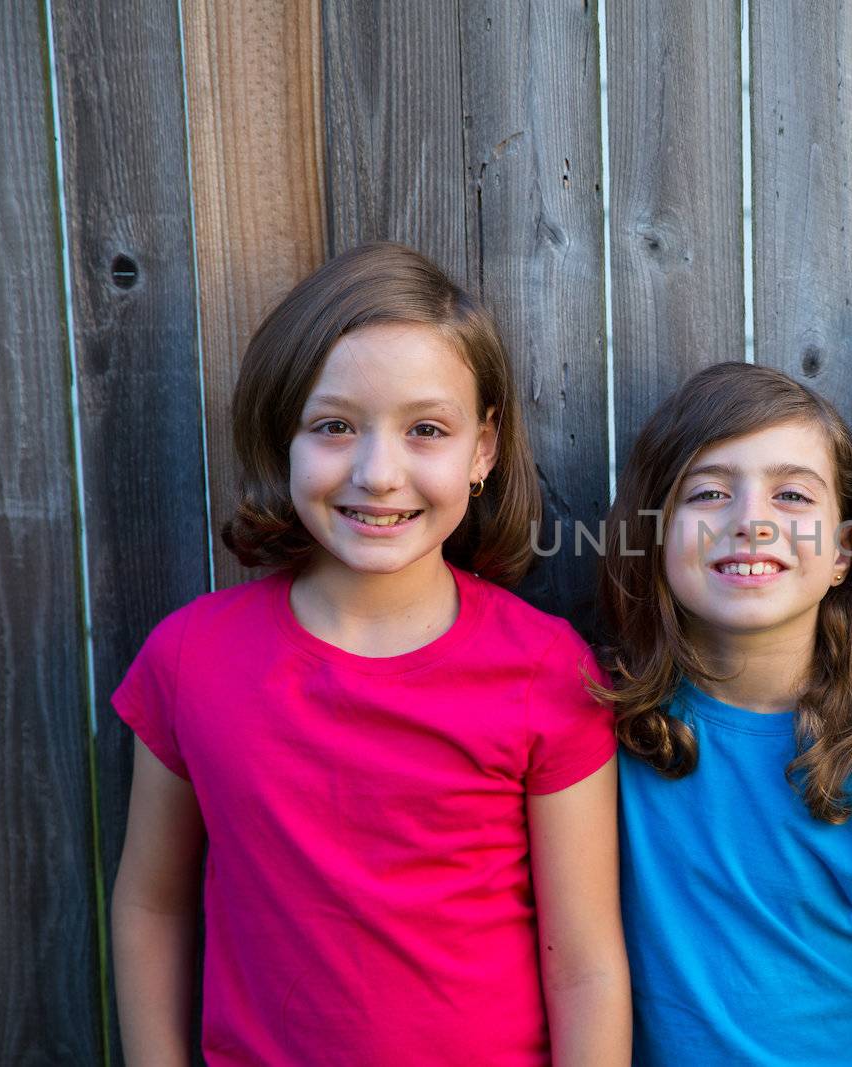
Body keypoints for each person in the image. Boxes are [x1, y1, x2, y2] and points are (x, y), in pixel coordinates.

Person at [109, 242, 630, 1067]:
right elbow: (152, 906)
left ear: (483, 450)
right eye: (335, 426)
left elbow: (588, 966)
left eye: (426, 429)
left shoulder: (545, 671)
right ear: (285, 435)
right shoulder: (190, 659)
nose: (377, 471)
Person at [598, 362, 852, 1065]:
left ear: (843, 551)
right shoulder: (604, 722)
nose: (750, 521)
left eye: (794, 495)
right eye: (709, 491)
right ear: (655, 535)